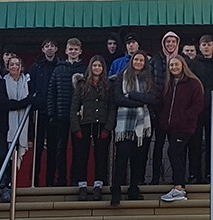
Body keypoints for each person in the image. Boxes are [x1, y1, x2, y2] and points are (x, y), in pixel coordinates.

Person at [110, 51, 156, 206]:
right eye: (136, 59)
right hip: (124, 125)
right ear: (132, 61)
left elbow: (151, 98)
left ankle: (134, 189)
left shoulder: (148, 78)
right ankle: (116, 190)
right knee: (122, 158)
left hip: (144, 125)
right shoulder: (121, 76)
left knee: (138, 159)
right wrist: (139, 102)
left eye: (141, 60)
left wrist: (132, 95)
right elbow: (118, 99)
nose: (138, 62)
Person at [158, 55, 205, 203]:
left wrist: (184, 117)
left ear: (183, 65)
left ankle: (178, 187)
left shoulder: (193, 83)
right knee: (177, 154)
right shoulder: (169, 84)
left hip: (185, 126)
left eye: (176, 64)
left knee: (173, 151)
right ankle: (180, 186)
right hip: (171, 127)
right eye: (171, 65)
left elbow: (198, 105)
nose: (173, 67)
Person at [0, 54, 33, 201]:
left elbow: (34, 101)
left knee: (14, 159)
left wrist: (25, 102)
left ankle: (7, 185)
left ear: (21, 67)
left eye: (17, 64)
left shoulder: (27, 83)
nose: (14, 66)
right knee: (1, 155)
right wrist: (23, 102)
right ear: (7, 67)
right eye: (11, 64)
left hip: (21, 126)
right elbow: (3, 103)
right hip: (4, 126)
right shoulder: (1, 83)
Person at [70, 55, 115, 201]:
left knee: (101, 156)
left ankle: (98, 186)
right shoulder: (82, 85)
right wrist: (76, 128)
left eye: (99, 66)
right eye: (94, 65)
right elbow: (74, 107)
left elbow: (112, 109)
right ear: (90, 67)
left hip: (101, 126)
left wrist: (107, 128)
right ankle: (82, 186)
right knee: (81, 157)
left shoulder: (108, 86)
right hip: (84, 125)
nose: (97, 68)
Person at [45, 38, 84, 187]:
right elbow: (51, 93)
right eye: (70, 49)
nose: (73, 52)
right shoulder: (58, 69)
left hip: (78, 117)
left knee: (78, 150)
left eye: (76, 49)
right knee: (60, 149)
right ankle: (61, 178)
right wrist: (51, 114)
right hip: (60, 116)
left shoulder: (84, 69)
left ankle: (75, 179)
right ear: (66, 51)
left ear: (80, 51)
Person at [148, 31, 184, 183]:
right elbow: (150, 84)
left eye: (173, 42)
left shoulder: (182, 60)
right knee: (158, 145)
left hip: (176, 111)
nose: (170, 44)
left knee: (176, 147)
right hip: (158, 109)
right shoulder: (155, 61)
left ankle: (178, 179)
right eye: (167, 41)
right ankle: (155, 177)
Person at [188, 34, 213, 184]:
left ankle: (209, 173)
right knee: (195, 143)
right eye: (203, 45)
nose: (206, 47)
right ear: (199, 47)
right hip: (196, 109)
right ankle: (195, 174)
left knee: (211, 142)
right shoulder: (193, 64)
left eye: (209, 44)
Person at [28, 38, 59, 185]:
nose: (49, 48)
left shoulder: (60, 66)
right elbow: (30, 88)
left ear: (57, 49)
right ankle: (34, 179)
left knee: (54, 149)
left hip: (55, 112)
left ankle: (50, 181)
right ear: (42, 49)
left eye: (52, 46)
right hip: (39, 113)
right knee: (38, 148)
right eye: (47, 46)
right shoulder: (35, 67)